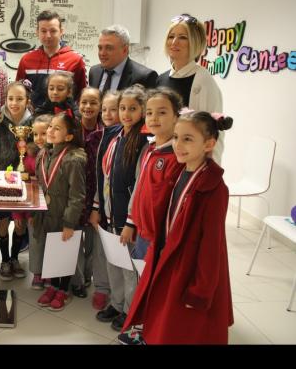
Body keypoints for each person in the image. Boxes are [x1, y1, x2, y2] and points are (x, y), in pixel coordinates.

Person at [122, 111, 234, 344]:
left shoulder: (214, 188)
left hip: (188, 267)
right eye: (176, 137)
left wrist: (201, 290)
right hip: (168, 258)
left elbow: (212, 245)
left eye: (188, 139)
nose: (178, 145)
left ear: (209, 144)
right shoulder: (181, 171)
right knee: (162, 317)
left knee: (181, 326)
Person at [118, 87, 184, 345]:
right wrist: (130, 222)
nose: (154, 118)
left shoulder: (178, 156)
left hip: (160, 237)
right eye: (150, 113)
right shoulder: (149, 149)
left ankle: (152, 332)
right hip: (142, 231)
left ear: (177, 115)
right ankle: (143, 325)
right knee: (144, 280)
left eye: (162, 112)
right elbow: (139, 188)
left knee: (157, 285)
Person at [95, 85, 150, 332]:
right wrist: (99, 207)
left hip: (126, 219)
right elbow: (105, 175)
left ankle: (129, 311)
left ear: (143, 111)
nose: (126, 113)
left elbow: (139, 186)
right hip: (109, 213)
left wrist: (130, 222)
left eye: (132, 109)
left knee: (128, 267)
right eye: (122, 108)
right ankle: (116, 304)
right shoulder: (116, 136)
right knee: (113, 262)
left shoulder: (143, 142)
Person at [34, 112, 86, 311]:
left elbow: (77, 195)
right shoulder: (43, 154)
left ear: (69, 136)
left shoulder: (73, 159)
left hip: (64, 216)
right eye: (50, 127)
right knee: (51, 251)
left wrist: (69, 223)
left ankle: (63, 289)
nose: (50, 131)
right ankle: (52, 286)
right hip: (46, 214)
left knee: (63, 253)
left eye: (57, 128)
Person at [157, 13, 224, 163]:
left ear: (195, 43)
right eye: (171, 36)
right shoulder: (161, 79)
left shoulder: (203, 81)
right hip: (162, 161)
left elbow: (213, 134)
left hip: (187, 164)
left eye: (183, 37)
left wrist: (209, 171)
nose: (174, 42)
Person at [0, 82, 33, 281]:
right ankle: (5, 260)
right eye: (10, 99)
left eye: (19, 99)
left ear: (27, 101)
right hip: (2, 177)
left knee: (20, 223)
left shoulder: (32, 122)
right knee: (3, 221)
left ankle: (15, 258)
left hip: (24, 179)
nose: (14, 103)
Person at [70, 87, 105, 299]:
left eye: (93, 102)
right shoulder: (71, 130)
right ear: (78, 104)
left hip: (97, 196)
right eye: (84, 102)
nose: (88, 107)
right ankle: (77, 280)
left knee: (92, 240)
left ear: (100, 106)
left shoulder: (107, 132)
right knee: (74, 239)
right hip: (75, 194)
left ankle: (89, 274)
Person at [16, 10, 86, 109]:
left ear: (61, 31)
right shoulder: (26, 60)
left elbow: (82, 95)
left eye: (53, 31)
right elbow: (18, 93)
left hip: (64, 117)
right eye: (43, 31)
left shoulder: (76, 59)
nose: (48, 35)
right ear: (37, 32)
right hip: (33, 117)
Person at [89, 90, 120, 311]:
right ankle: (101, 287)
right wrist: (96, 206)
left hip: (119, 207)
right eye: (105, 109)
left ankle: (118, 296)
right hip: (102, 201)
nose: (108, 114)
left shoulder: (127, 138)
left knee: (117, 253)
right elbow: (101, 176)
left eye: (114, 109)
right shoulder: (100, 136)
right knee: (101, 247)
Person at [88, 25, 157, 93]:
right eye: (100, 48)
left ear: (125, 50)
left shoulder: (145, 77)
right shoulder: (94, 72)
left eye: (109, 48)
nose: (102, 53)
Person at [27, 113, 53, 291]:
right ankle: (37, 272)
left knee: (51, 239)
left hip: (53, 206)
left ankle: (50, 272)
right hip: (37, 204)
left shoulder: (57, 154)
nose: (39, 138)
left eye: (43, 133)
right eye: (35, 134)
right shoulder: (33, 155)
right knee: (36, 239)